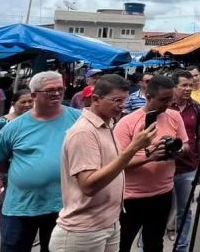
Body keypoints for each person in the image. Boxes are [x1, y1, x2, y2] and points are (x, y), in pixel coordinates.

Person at [50, 75, 158, 252]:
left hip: (108, 223)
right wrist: (133, 148)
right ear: (95, 99)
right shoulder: (84, 132)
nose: (122, 105)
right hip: (84, 231)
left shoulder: (107, 124)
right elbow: (89, 185)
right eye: (116, 100)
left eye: (125, 100)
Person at [0, 71, 80, 252]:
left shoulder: (78, 119)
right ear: (33, 95)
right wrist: (28, 171)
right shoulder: (13, 128)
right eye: (49, 90)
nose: (56, 93)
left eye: (60, 89)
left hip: (63, 205)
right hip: (21, 207)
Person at [113, 74, 188, 252]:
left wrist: (176, 151)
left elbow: (185, 144)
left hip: (163, 193)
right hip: (132, 197)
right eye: (163, 100)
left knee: (155, 243)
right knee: (122, 244)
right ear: (148, 97)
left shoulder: (174, 116)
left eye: (171, 99)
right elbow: (116, 164)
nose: (168, 104)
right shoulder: (127, 123)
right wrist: (150, 156)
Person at [167, 70, 200, 252]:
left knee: (184, 211)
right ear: (174, 87)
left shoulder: (197, 108)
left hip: (188, 168)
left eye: (190, 85)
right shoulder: (164, 107)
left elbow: (199, 139)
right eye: (184, 85)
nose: (188, 88)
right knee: (159, 211)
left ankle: (181, 246)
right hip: (164, 168)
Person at [0, 88, 34, 232]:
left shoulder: (36, 120)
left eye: (31, 101)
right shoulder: (2, 122)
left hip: (26, 172)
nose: (28, 104)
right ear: (14, 103)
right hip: (5, 172)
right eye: (23, 101)